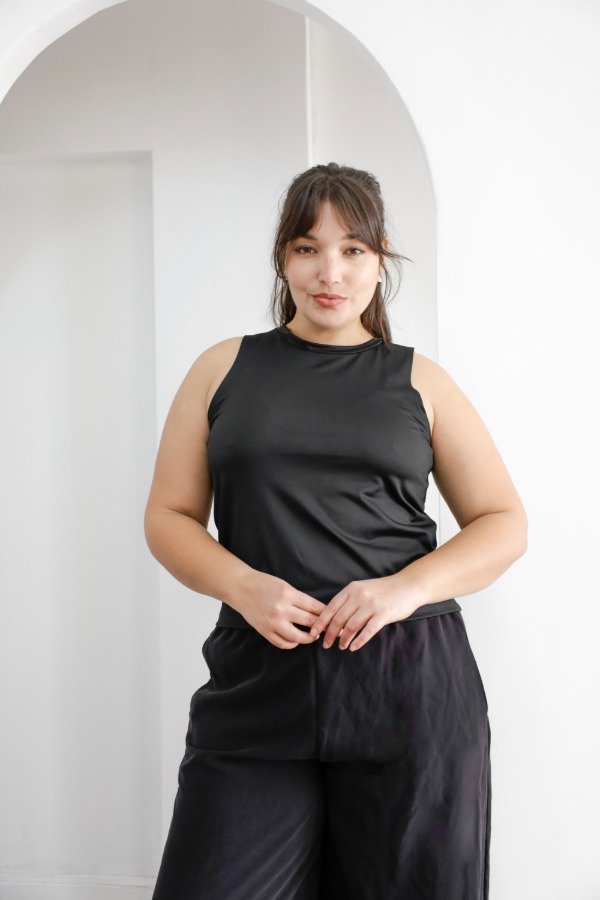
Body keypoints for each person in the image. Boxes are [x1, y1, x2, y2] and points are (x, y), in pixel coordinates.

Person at [145, 162, 528, 899]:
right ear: (282, 258)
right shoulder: (221, 369)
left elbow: (503, 522)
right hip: (258, 684)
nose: (331, 272)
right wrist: (242, 585)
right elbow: (168, 516)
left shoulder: (422, 382)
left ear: (381, 259)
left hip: (409, 690)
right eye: (307, 248)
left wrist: (401, 591)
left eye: (353, 249)